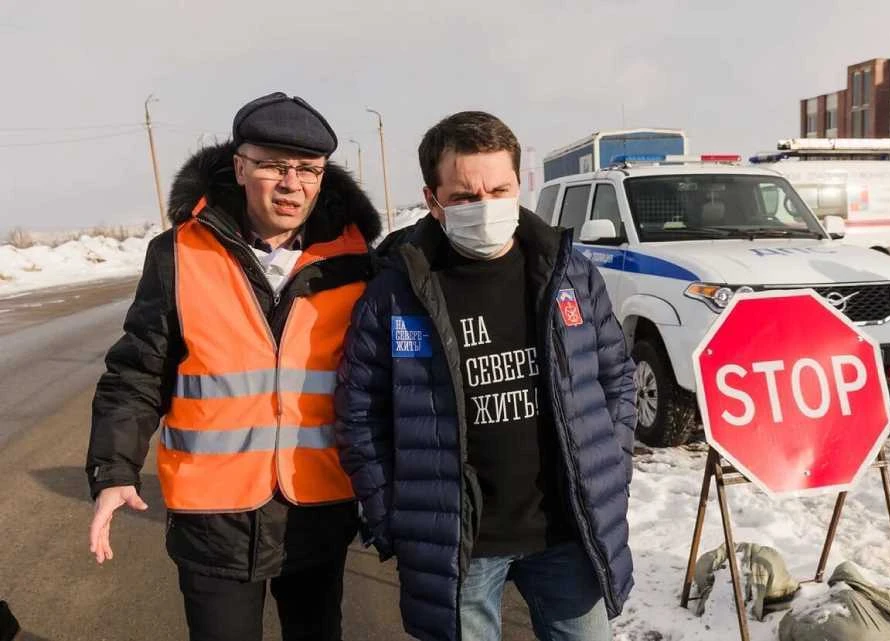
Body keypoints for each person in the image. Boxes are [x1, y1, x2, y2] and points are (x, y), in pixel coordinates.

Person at [86, 92, 382, 641]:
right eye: (272, 164)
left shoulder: (355, 261)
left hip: (316, 508)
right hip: (212, 517)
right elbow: (137, 371)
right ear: (240, 166)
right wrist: (114, 469)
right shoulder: (178, 253)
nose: (291, 183)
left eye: (308, 169)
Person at [335, 111, 637, 641]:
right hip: (458, 544)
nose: (486, 207)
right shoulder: (397, 290)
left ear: (520, 185)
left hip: (566, 534)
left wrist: (610, 472)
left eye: (499, 190)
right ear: (433, 201)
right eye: (464, 197)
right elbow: (360, 413)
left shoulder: (567, 271)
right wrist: (394, 518)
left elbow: (616, 378)